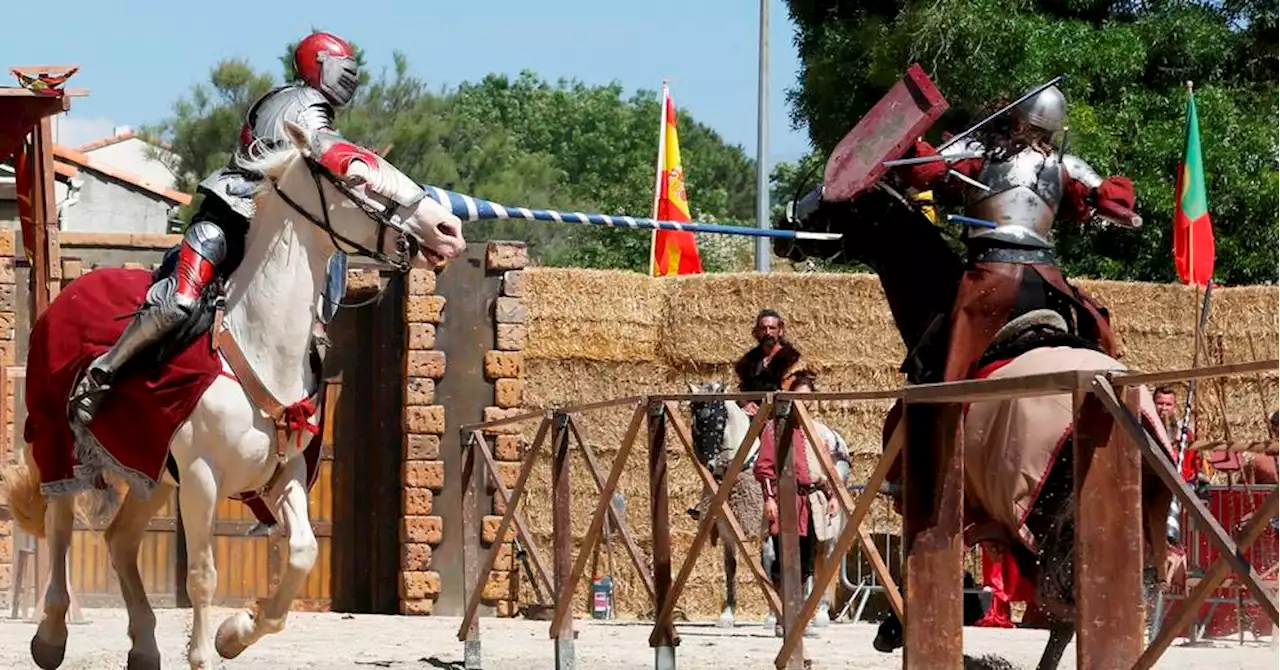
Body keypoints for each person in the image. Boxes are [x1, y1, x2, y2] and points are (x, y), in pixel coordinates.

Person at [69, 31, 362, 426]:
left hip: (268, 232)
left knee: (332, 250)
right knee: (178, 302)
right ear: (320, 64)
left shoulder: (317, 110)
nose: (350, 77)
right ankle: (102, 373)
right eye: (343, 67)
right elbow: (317, 154)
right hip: (229, 214)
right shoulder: (297, 104)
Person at [753, 370, 836, 636]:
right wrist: (769, 499)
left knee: (807, 561)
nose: (804, 404)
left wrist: (832, 495)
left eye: (807, 399)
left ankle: (800, 617)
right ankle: (782, 617)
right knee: (784, 561)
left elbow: (824, 469)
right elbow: (764, 467)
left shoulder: (815, 430)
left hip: (811, 501)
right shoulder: (773, 429)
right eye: (799, 398)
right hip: (786, 501)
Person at [734, 309, 804, 416]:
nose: (768, 333)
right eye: (763, 328)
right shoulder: (749, 361)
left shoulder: (792, 359)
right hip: (752, 415)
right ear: (757, 332)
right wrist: (746, 403)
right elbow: (741, 389)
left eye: (772, 328)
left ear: (780, 331)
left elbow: (798, 391)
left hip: (783, 414)